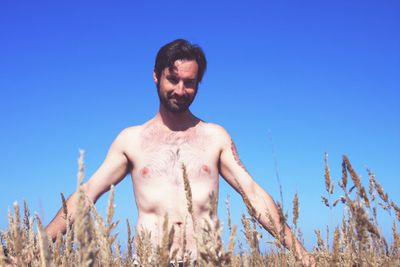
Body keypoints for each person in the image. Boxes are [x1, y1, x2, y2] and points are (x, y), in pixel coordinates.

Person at [46, 39, 313, 266]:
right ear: (155, 75)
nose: (180, 90)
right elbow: (86, 195)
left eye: (189, 82)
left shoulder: (215, 136)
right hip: (151, 261)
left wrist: (302, 255)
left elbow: (252, 194)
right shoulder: (131, 140)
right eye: (172, 79)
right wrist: (38, 247)